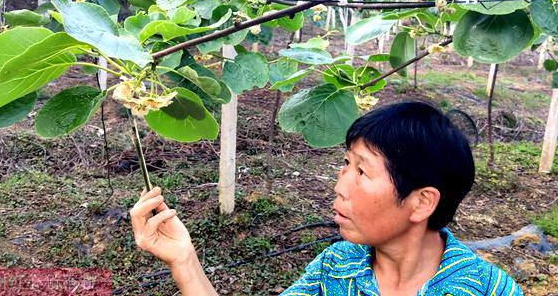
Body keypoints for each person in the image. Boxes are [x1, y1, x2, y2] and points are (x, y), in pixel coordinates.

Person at [130, 100, 524, 295]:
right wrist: (185, 259)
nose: (339, 184)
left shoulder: (487, 289)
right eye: (345, 163)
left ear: (421, 202)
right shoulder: (336, 268)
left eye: (362, 171)